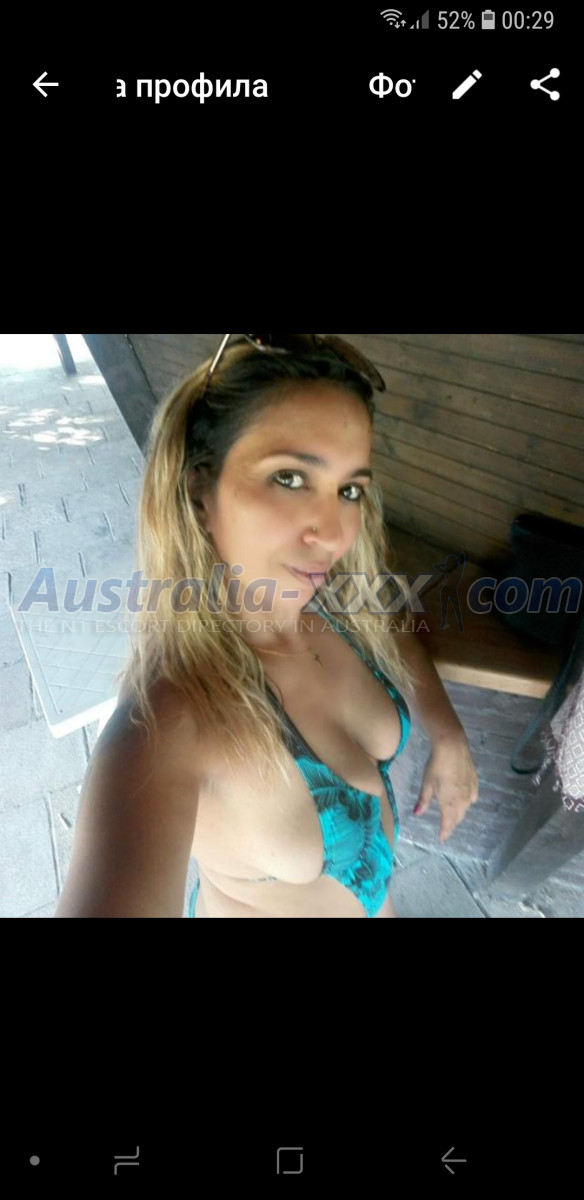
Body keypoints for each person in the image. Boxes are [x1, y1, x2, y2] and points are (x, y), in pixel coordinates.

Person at [55, 334, 479, 919]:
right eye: (290, 478)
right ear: (199, 492)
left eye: (349, 490)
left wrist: (448, 733)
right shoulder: (169, 719)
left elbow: (391, 628)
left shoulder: (335, 601)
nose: (334, 534)